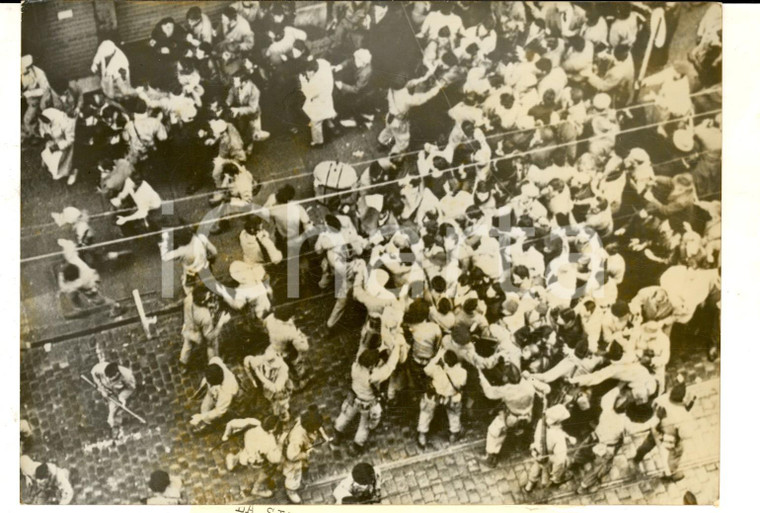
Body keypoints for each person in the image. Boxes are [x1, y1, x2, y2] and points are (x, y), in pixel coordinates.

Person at [479, 362, 551, 467]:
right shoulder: (528, 382)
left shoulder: (506, 390)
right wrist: (530, 377)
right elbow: (547, 389)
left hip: (511, 418)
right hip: (527, 416)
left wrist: (480, 375)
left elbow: (489, 393)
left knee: (494, 431)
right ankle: (522, 440)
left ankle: (491, 457)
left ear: (506, 378)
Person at [334, 342, 400, 453]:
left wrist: (380, 349)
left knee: (345, 416)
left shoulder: (355, 367)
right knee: (364, 426)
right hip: (367, 404)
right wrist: (396, 349)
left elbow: (363, 351)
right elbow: (390, 367)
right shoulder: (373, 377)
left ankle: (337, 434)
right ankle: (356, 446)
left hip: (353, 398)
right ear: (371, 366)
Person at [631, 382, 694, 482]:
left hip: (657, 428)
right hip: (671, 437)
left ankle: (638, 456)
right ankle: (670, 474)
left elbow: (653, 406)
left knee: (648, 443)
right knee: (674, 455)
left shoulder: (662, 399)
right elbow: (685, 434)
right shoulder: (683, 414)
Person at [378, 75, 443, 154]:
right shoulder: (406, 99)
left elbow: (410, 83)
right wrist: (437, 89)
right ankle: (393, 157)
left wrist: (424, 77)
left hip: (390, 117)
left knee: (388, 131)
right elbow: (423, 98)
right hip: (398, 122)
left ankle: (381, 143)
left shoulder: (391, 90)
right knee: (403, 142)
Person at [416, 349, 467, 448]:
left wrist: (437, 356)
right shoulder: (462, 372)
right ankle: (454, 433)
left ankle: (422, 434)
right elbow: (462, 384)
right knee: (454, 414)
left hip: (435, 396)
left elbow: (426, 370)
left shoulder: (437, 369)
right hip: (451, 397)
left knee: (426, 413)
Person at [222, 415, 281, 498]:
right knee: (271, 468)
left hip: (245, 454)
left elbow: (231, 423)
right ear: (272, 429)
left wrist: (226, 435)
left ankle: (232, 461)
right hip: (255, 463)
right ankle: (257, 489)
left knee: (245, 449)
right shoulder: (270, 441)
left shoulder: (253, 422)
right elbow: (275, 459)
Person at [524, 404, 574, 492]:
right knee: (557, 464)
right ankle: (552, 481)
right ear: (558, 422)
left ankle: (530, 484)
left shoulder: (541, 422)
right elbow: (560, 460)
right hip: (548, 457)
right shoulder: (558, 437)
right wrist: (556, 474)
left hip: (536, 451)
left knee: (536, 467)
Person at [283, 407, 327, 504]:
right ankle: (291, 490)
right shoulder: (297, 438)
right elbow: (292, 456)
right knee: (294, 475)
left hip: (301, 448)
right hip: (294, 456)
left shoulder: (305, 420)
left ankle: (304, 473)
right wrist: (306, 455)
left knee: (304, 466)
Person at [180, 286, 231, 369]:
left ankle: (183, 363)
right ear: (202, 301)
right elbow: (210, 336)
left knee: (187, 345)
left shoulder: (188, 298)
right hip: (198, 336)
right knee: (212, 344)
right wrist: (221, 321)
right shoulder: (205, 316)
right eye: (208, 297)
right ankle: (214, 363)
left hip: (187, 328)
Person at [160, 227, 217, 295]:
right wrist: (212, 260)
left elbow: (165, 257)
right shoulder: (201, 237)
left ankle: (190, 293)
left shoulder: (181, 251)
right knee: (209, 281)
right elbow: (214, 251)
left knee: (188, 287)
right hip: (205, 266)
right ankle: (210, 288)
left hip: (191, 272)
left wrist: (163, 241)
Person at [244, 346, 293, 423]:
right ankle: (277, 411)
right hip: (268, 390)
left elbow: (276, 388)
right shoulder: (259, 360)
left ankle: (284, 412)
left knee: (282, 402)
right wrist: (252, 379)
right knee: (272, 401)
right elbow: (247, 361)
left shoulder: (283, 369)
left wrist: (258, 374)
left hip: (280, 390)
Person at [190, 357, 240, 432]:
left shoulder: (227, 392)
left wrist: (201, 417)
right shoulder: (215, 361)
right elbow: (215, 359)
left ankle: (207, 425)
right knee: (204, 408)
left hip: (224, 395)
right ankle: (206, 420)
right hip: (215, 390)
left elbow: (219, 412)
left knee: (211, 413)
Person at [263, 307, 310, 385]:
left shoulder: (269, 318)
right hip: (289, 352)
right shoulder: (290, 331)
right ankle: (300, 381)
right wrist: (300, 334)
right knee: (297, 365)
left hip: (275, 348)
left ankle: (289, 379)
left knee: (286, 368)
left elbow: (264, 327)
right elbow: (304, 347)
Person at [226, 71, 269, 154]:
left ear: (244, 82)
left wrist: (238, 110)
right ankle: (246, 145)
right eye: (233, 81)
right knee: (243, 130)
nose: (234, 83)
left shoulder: (254, 90)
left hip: (253, 115)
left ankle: (253, 147)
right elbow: (231, 93)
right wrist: (227, 102)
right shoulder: (235, 86)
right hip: (241, 114)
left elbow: (252, 108)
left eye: (236, 81)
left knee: (254, 134)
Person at [91, 360, 137, 435]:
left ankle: (117, 424)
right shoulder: (99, 369)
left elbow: (131, 388)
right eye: (111, 378)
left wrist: (122, 398)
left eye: (115, 378)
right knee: (112, 415)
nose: (113, 380)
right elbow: (93, 373)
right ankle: (114, 425)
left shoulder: (127, 375)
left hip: (122, 390)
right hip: (108, 389)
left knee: (116, 410)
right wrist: (101, 387)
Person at [21, 55, 60, 141]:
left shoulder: (40, 73)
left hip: (44, 96)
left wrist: (29, 93)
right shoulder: (23, 72)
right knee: (28, 119)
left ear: (30, 66)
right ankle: (36, 134)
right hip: (33, 98)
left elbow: (44, 89)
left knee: (44, 115)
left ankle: (49, 134)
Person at [300, 58, 337, 147]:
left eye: (309, 72)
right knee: (327, 114)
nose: (307, 74)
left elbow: (309, 94)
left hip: (319, 103)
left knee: (316, 122)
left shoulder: (315, 82)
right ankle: (331, 125)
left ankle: (318, 141)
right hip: (326, 98)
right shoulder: (322, 67)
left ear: (313, 72)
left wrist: (303, 82)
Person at [39, 108, 77, 184]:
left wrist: (58, 146)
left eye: (46, 121)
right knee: (47, 157)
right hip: (52, 142)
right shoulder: (45, 116)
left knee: (59, 163)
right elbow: (41, 127)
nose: (44, 122)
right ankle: (51, 169)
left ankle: (70, 173)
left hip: (63, 145)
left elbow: (70, 140)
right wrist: (44, 134)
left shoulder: (67, 122)